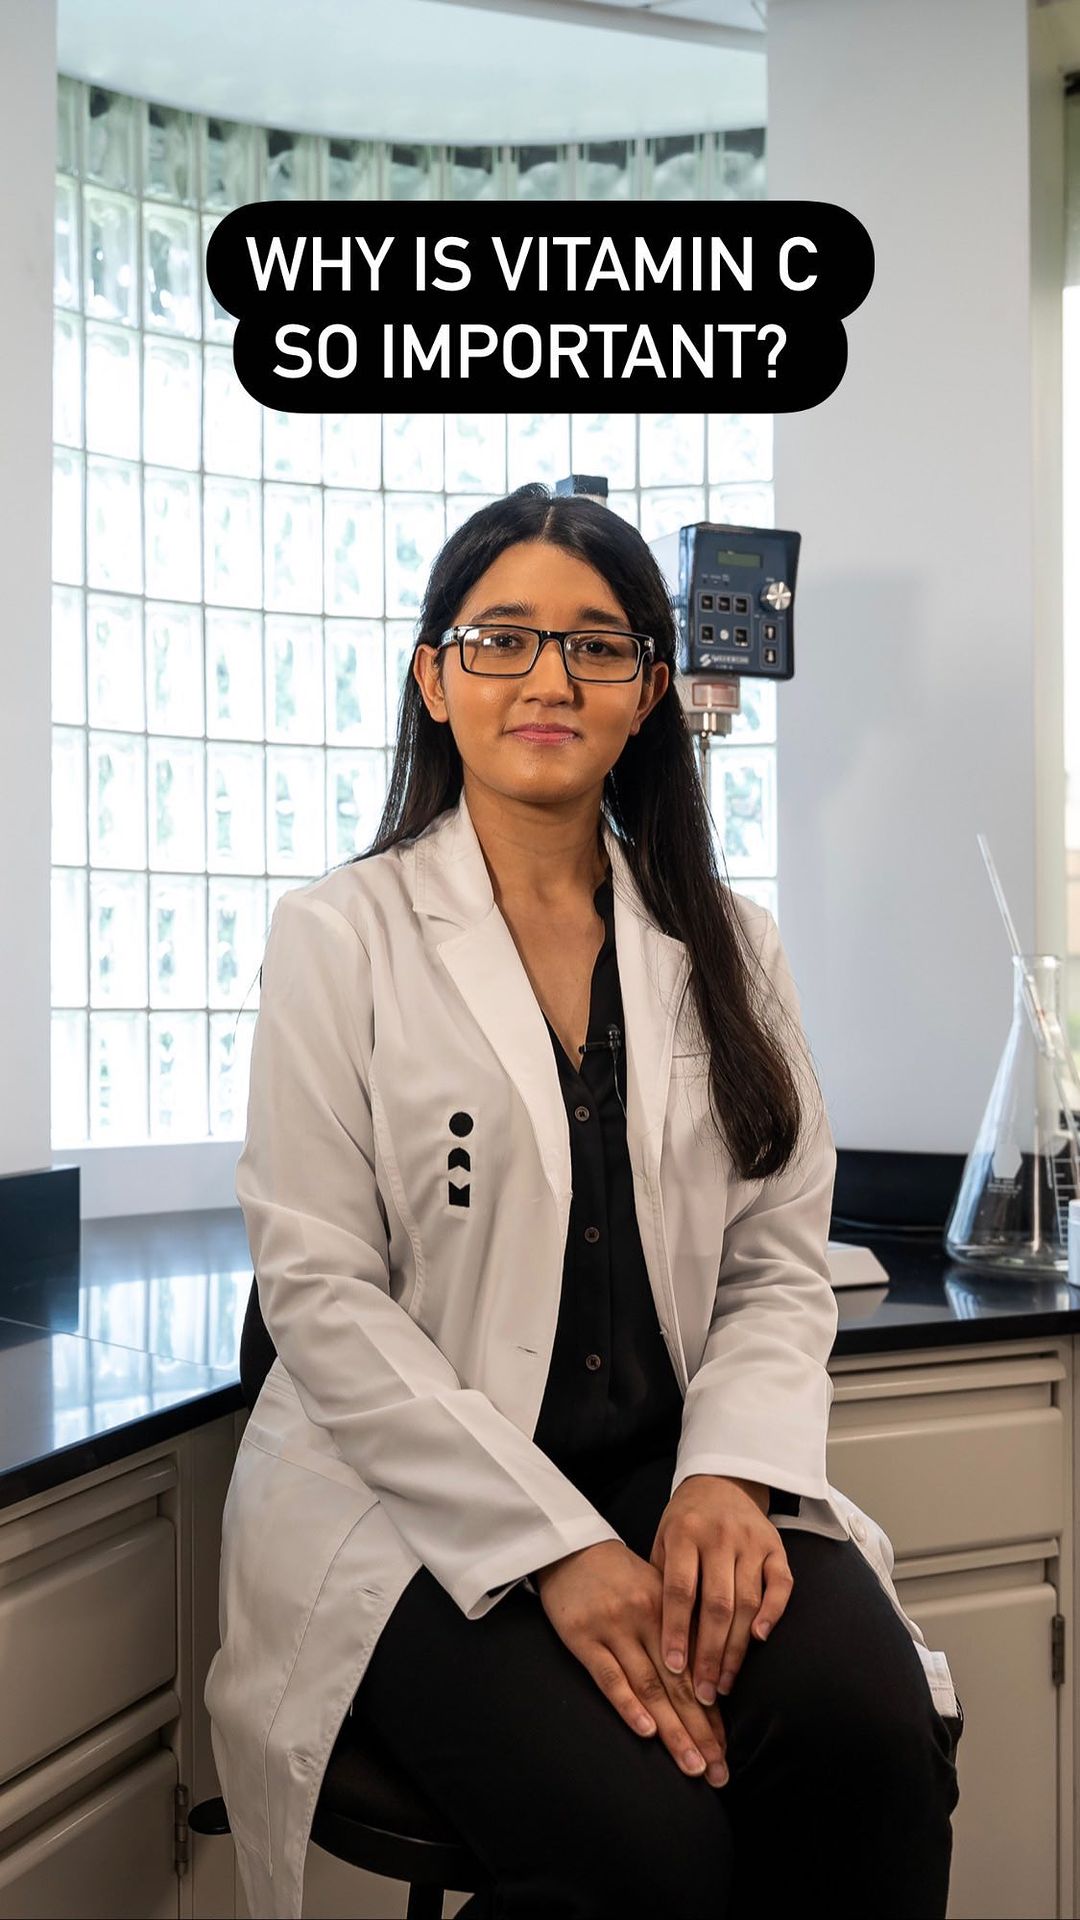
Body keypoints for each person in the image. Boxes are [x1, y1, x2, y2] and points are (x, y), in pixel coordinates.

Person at [216, 482, 961, 1920]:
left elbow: (775, 1265)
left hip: (674, 1473)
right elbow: (318, 1292)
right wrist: (553, 1546)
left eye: (597, 645)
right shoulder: (340, 937)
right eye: (501, 638)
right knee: (650, 1849)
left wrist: (729, 1477)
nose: (549, 678)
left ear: (650, 691)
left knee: (869, 1744)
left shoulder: (728, 943)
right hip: (417, 1506)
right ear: (435, 679)